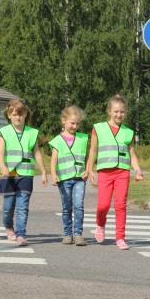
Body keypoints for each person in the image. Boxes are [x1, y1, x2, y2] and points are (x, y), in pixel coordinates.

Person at [86, 94, 144, 250]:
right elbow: (93, 150)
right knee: (103, 205)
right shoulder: (98, 128)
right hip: (105, 172)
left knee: (120, 205)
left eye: (122, 112)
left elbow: (132, 154)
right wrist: (90, 169)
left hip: (122, 172)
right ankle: (100, 224)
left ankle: (120, 237)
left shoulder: (128, 132)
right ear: (109, 111)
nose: (119, 115)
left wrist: (137, 169)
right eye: (116, 111)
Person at [0, 99, 47, 246]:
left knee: (22, 206)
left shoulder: (32, 133)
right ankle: (8, 227)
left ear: (26, 115)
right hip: (9, 175)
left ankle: (21, 234)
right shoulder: (4, 132)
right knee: (8, 207)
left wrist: (43, 172)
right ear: (9, 115)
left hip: (26, 174)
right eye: (14, 114)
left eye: (21, 114)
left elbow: (37, 153)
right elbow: (0, 152)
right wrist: (2, 166)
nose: (17, 117)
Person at [49, 105, 89, 246]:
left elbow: (89, 157)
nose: (75, 126)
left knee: (79, 205)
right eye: (72, 123)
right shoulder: (57, 141)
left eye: (77, 123)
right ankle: (67, 234)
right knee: (67, 207)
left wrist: (89, 170)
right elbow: (53, 160)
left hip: (79, 179)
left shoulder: (84, 139)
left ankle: (78, 234)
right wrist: (53, 175)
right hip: (64, 180)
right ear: (64, 121)